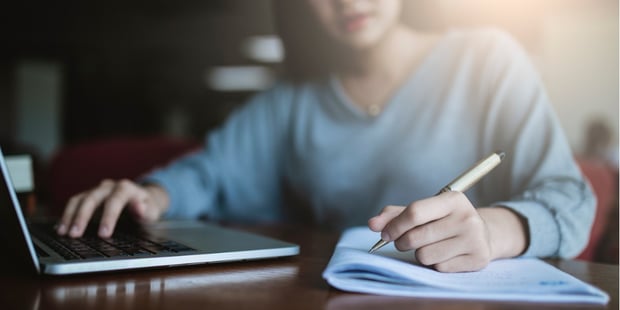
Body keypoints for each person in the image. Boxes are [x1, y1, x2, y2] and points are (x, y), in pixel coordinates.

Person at [55, 0, 595, 273]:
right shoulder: (293, 100)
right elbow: (210, 172)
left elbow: (570, 199)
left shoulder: (487, 58)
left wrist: (491, 232)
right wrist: (151, 195)